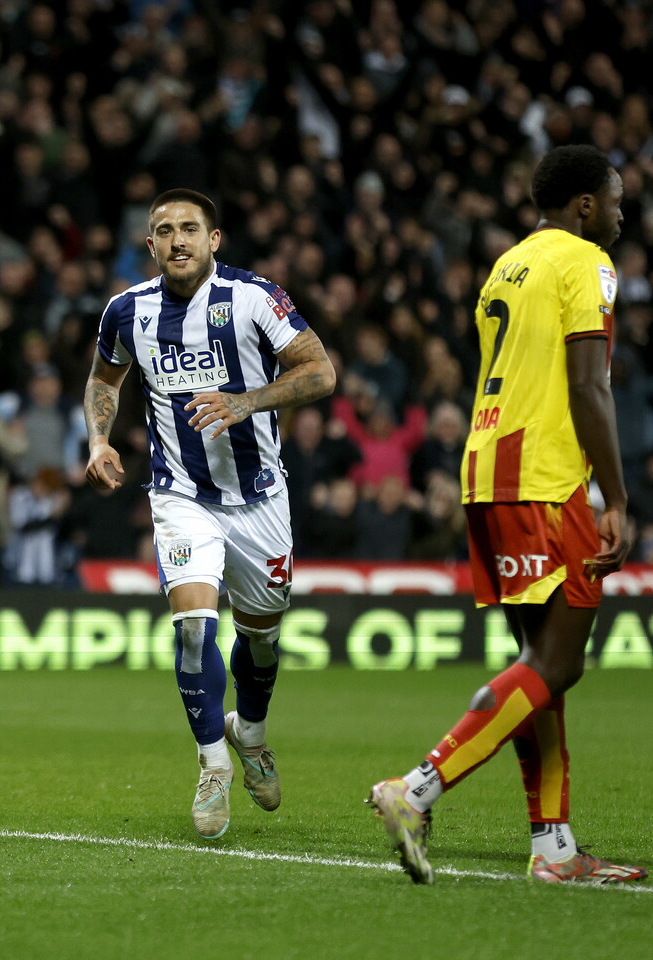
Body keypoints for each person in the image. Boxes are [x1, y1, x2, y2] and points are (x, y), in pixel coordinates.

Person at [368, 145, 648, 885]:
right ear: (585, 204)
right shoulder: (585, 264)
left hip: (486, 468)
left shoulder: (509, 264)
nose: (623, 213)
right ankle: (414, 789)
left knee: (542, 669)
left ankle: (555, 851)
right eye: (616, 200)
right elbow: (590, 386)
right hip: (543, 480)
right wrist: (618, 498)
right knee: (558, 662)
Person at [83, 188, 335, 839]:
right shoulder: (127, 311)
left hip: (260, 499)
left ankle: (249, 733)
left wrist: (247, 401)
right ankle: (213, 760)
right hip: (180, 495)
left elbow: (319, 371)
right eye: (164, 230)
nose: (177, 240)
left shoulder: (254, 298)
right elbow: (104, 380)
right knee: (194, 626)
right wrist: (99, 440)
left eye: (189, 228)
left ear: (213, 239)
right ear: (151, 244)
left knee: (262, 637)